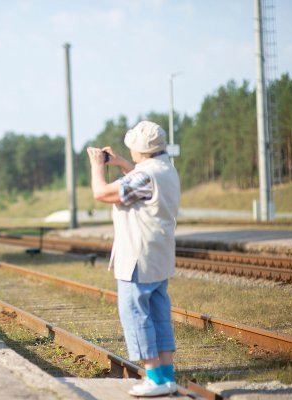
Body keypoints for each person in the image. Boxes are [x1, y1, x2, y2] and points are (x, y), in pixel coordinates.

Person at [87, 121, 180, 397]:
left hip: (138, 255)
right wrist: (122, 163)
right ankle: (166, 376)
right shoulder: (166, 170)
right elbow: (141, 178)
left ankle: (153, 377)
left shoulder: (143, 176)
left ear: (140, 151)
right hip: (159, 254)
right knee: (159, 312)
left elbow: (101, 193)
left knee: (136, 312)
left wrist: (97, 167)